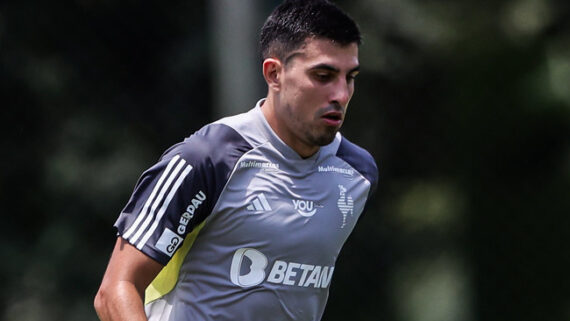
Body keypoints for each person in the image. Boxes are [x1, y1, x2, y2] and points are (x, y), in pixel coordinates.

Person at [94, 0, 378, 320]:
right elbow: (116, 290)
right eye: (323, 75)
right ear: (274, 73)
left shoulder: (356, 174)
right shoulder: (206, 160)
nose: (340, 94)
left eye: (349, 77)